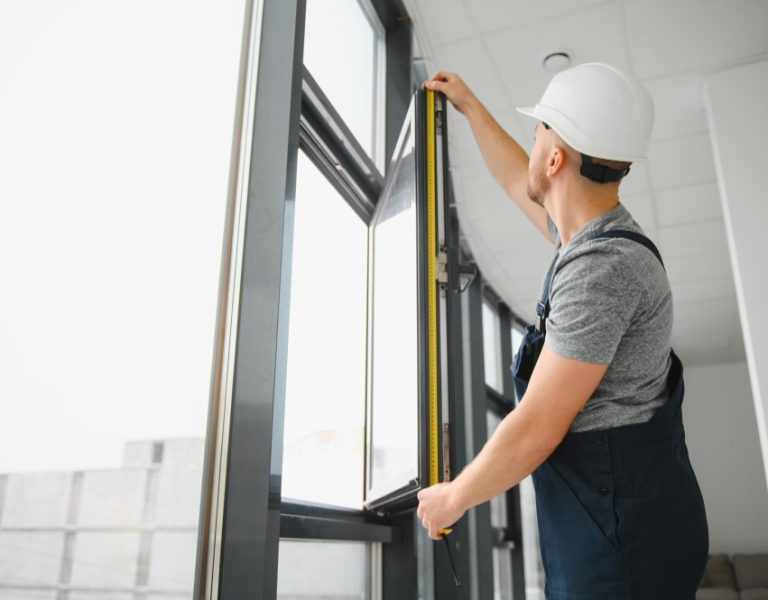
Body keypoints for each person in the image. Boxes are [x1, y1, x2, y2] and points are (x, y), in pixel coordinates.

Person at [415, 63, 709, 599]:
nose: (529, 153)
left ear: (553, 160)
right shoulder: (591, 241)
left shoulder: (602, 267)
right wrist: (470, 105)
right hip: (618, 521)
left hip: (624, 548)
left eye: (537, 136)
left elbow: (537, 428)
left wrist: (453, 497)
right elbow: (514, 180)